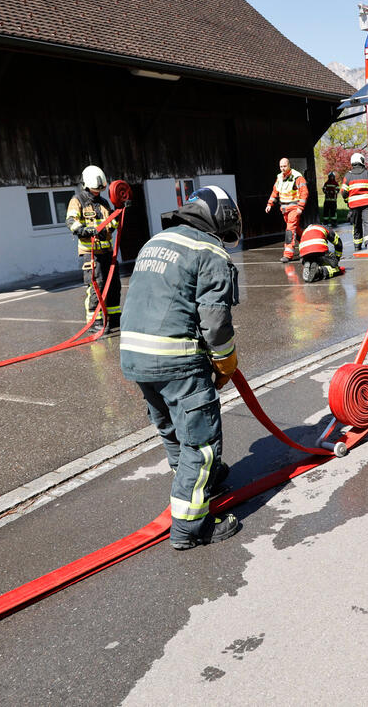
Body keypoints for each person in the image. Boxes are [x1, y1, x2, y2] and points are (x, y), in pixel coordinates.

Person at [118, 186, 244, 550]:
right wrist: (224, 360)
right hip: (178, 361)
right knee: (201, 442)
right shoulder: (208, 250)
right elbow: (215, 321)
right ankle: (191, 527)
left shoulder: (156, 242)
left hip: (136, 358)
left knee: (174, 431)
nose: (224, 240)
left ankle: (200, 484)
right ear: (219, 218)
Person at [66, 165, 121, 328]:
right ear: (87, 184)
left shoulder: (103, 202)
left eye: (100, 189)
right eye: (96, 189)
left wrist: (119, 212)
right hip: (90, 253)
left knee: (113, 285)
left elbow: (112, 223)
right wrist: (83, 230)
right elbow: (71, 221)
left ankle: (114, 317)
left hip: (108, 252)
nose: (98, 192)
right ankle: (95, 320)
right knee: (97, 285)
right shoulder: (78, 201)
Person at [265, 158, 309, 263]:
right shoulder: (279, 177)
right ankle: (308, 243)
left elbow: (304, 192)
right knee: (295, 229)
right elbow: (275, 192)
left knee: (290, 229)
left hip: (294, 208)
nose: (283, 169)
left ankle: (288, 254)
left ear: (289, 165)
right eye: (281, 167)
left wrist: (300, 207)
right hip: (284, 209)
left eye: (284, 166)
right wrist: (269, 204)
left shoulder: (297, 177)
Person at [341, 152, 368, 250]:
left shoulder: (348, 175)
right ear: (361, 161)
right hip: (367, 204)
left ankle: (357, 245)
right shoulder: (367, 173)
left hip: (354, 205)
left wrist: (347, 200)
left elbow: (343, 191)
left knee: (356, 224)